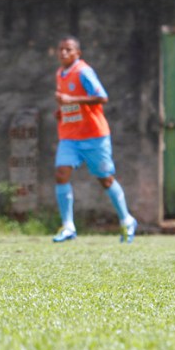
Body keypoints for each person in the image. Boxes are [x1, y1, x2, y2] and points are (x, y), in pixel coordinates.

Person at [52, 36, 137, 243]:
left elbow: (101, 97)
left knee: (105, 179)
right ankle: (68, 226)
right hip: (69, 135)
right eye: (61, 49)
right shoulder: (60, 74)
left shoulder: (83, 72)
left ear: (77, 53)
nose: (63, 53)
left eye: (68, 49)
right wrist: (63, 111)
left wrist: (71, 100)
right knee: (61, 174)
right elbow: (70, 103)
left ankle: (127, 220)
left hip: (94, 136)